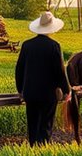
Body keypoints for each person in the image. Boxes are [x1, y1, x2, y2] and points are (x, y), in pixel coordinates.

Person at [15, 11, 71, 145]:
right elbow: (60, 71)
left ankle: (33, 148)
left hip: (30, 93)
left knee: (33, 126)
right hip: (48, 94)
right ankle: (42, 151)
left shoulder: (27, 45)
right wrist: (67, 90)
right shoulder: (54, 46)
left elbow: (19, 69)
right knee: (45, 126)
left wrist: (20, 89)